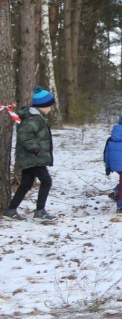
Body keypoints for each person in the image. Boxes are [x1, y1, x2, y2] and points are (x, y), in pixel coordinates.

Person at [4, 86, 59, 223]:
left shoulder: (37, 117)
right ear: (43, 105)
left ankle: (11, 210)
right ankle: (40, 212)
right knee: (46, 181)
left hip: (31, 158)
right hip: (33, 157)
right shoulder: (33, 119)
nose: (51, 108)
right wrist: (37, 149)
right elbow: (24, 136)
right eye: (50, 105)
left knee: (26, 183)